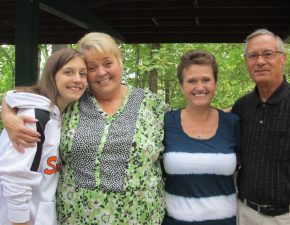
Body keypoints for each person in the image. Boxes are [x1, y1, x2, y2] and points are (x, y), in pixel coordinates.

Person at [1, 32, 167, 224]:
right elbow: (28, 99)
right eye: (91, 67)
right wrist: (8, 114)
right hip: (75, 217)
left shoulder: (152, 104)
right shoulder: (73, 99)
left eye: (107, 63)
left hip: (142, 217)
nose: (101, 72)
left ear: (120, 62)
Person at [0, 48, 87, 225]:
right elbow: (16, 177)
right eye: (68, 72)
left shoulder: (59, 114)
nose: (77, 79)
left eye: (83, 74)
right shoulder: (36, 116)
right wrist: (20, 222)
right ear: (52, 75)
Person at [162, 50, 240, 224]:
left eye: (206, 80)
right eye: (192, 81)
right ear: (182, 86)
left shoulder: (232, 123)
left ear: (216, 83)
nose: (199, 87)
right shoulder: (166, 123)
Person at [232, 28, 290, 225]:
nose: (260, 61)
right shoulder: (242, 106)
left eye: (268, 54)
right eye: (253, 55)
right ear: (246, 61)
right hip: (245, 213)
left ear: (283, 59)